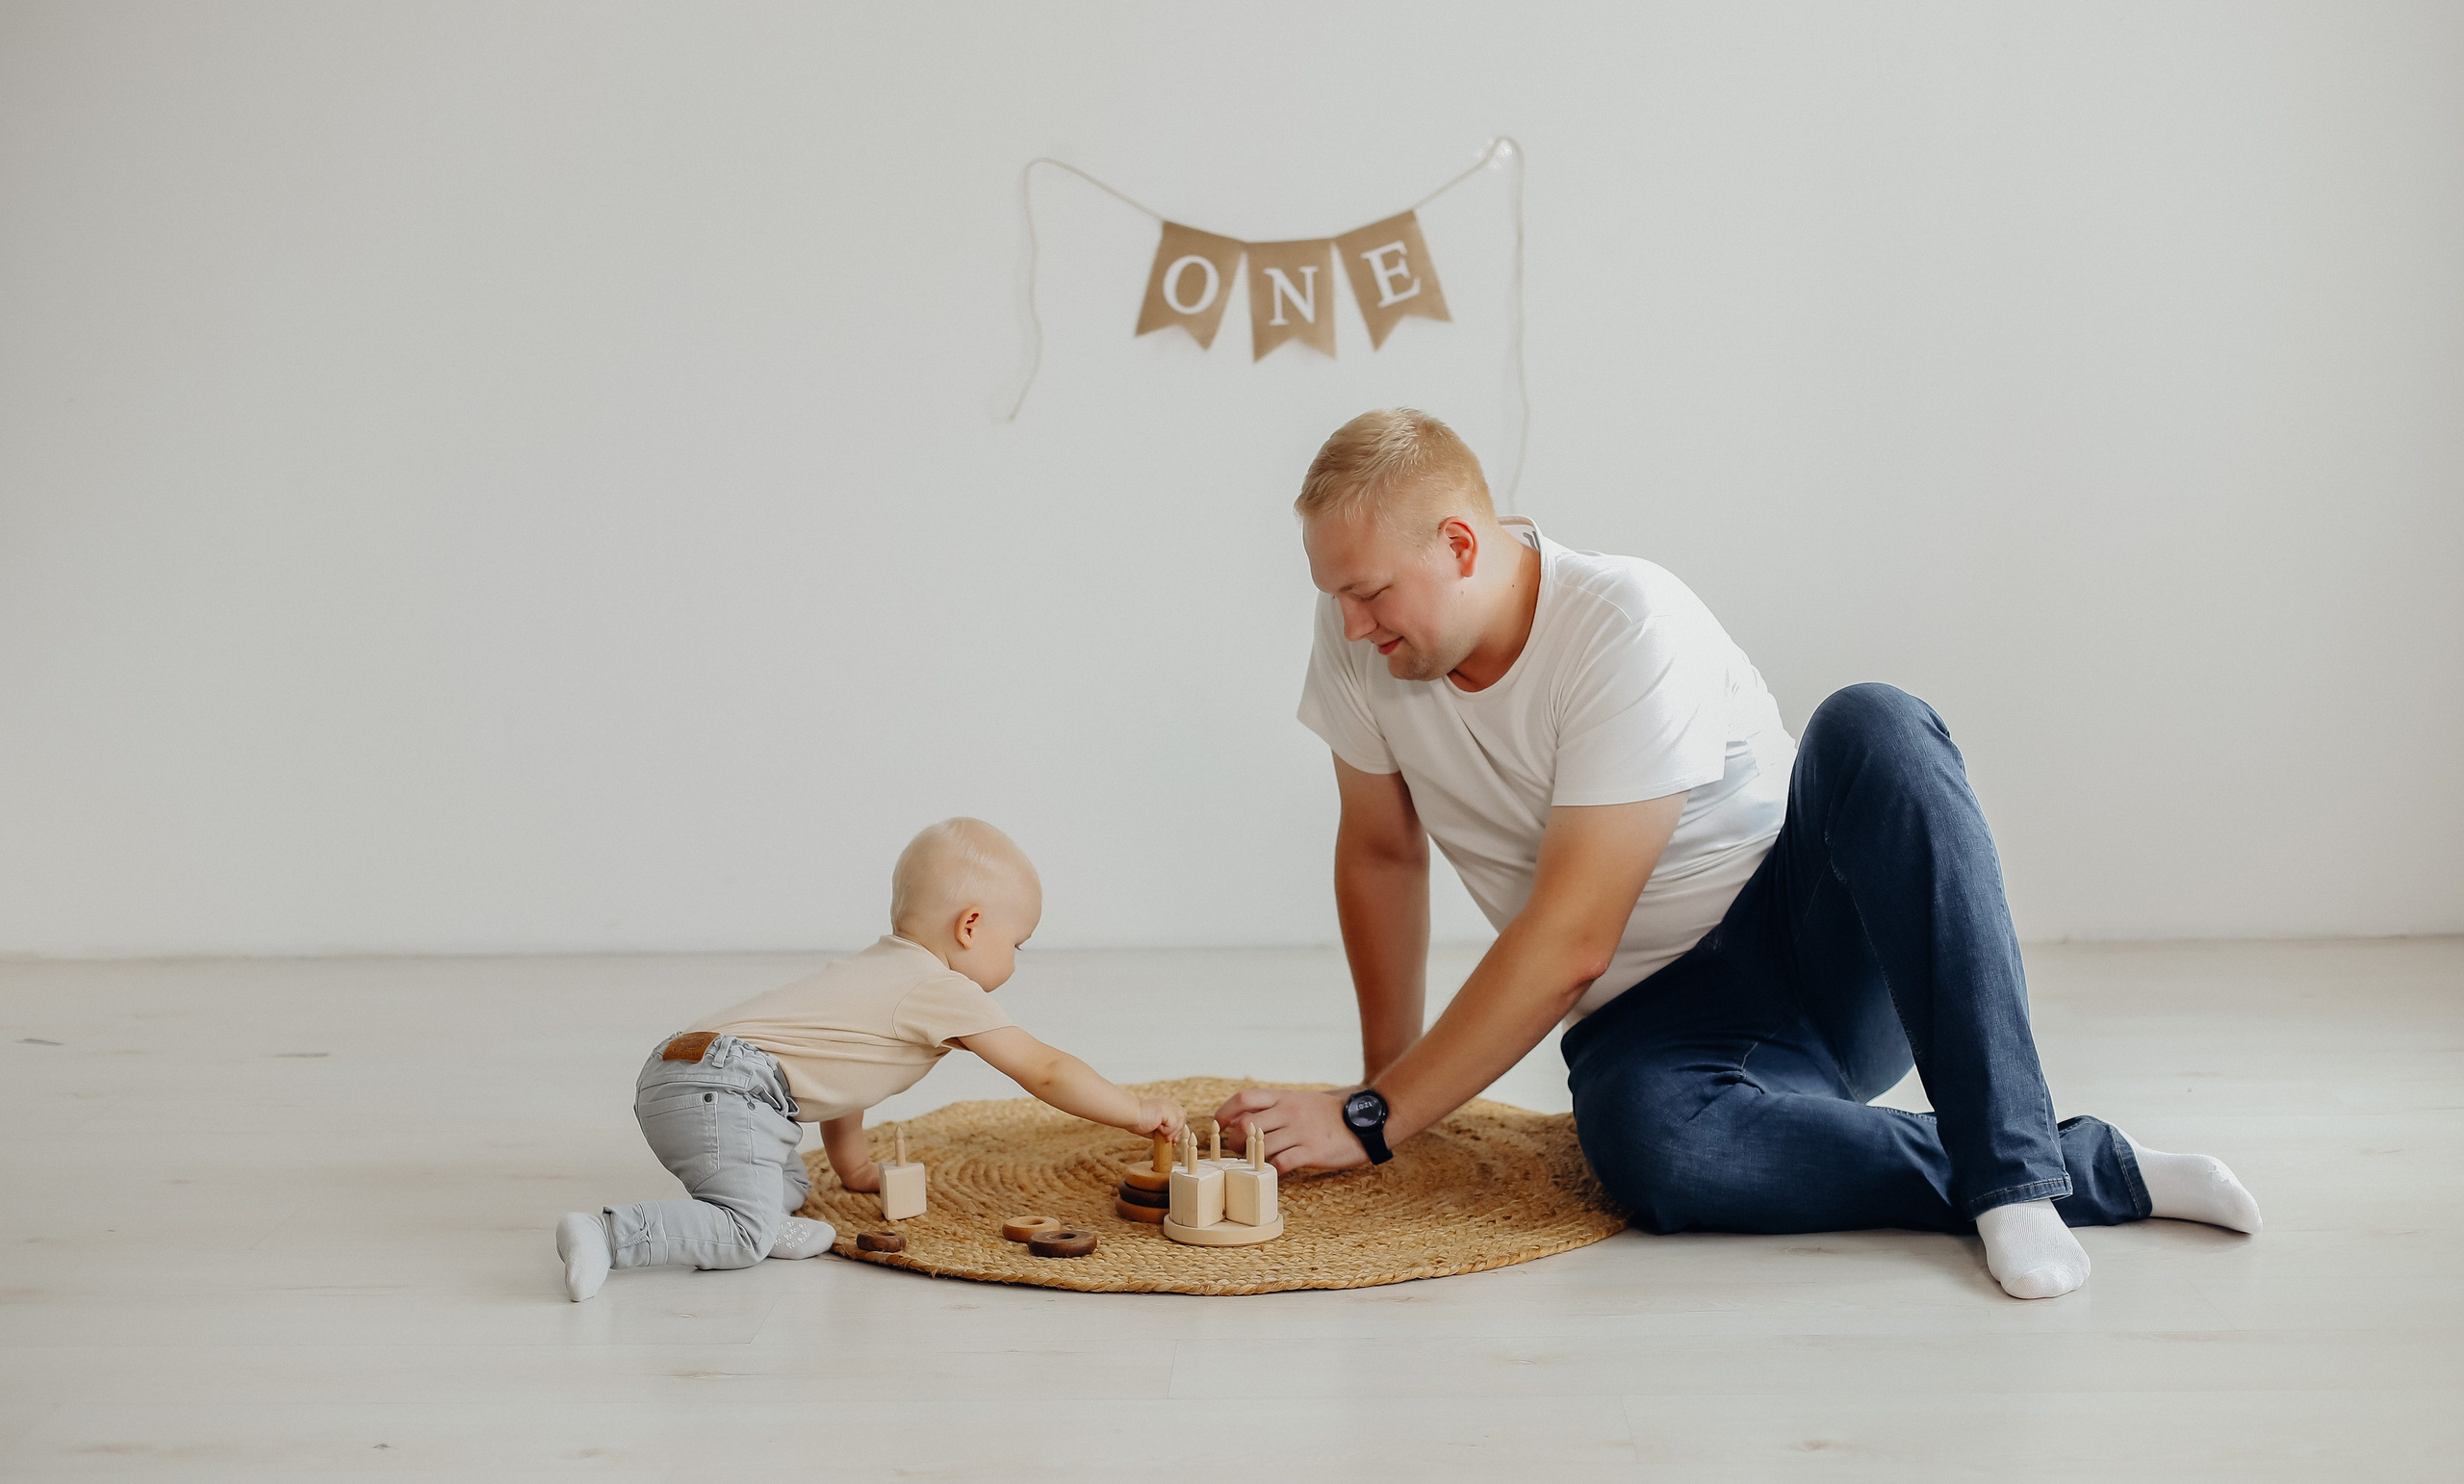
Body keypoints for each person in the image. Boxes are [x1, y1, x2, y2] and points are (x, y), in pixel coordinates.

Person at [1215, 410, 2261, 1300]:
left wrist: (1370, 1119)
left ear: (1457, 544)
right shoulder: (1358, 643)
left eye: (1368, 592)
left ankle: (2015, 1179)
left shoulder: (1622, 622)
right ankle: (2095, 1167)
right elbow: (1382, 854)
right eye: (1333, 594)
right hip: (1653, 1027)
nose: (1349, 623)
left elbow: (1573, 938)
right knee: (1645, 1147)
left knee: (1875, 723)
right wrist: (1384, 1091)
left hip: (1813, 946)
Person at [554, 817, 1187, 1300]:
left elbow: (844, 1080)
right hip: (727, 1087)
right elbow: (1043, 1068)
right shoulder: (940, 988)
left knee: (790, 1184)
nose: (1016, 961)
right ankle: (611, 1234)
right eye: (1017, 943)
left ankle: (767, 1215)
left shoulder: (879, 970)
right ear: (970, 926)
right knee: (743, 1231)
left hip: (687, 1071)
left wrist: (852, 1167)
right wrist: (1134, 1111)